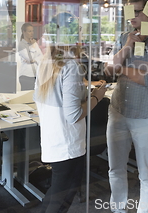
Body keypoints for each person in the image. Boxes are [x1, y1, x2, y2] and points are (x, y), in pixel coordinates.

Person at [104, 0, 148, 213]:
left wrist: (121, 69)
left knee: (146, 172)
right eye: (129, 12)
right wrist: (127, 47)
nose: (131, 17)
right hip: (119, 111)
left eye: (137, 12)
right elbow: (108, 70)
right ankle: (118, 209)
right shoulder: (124, 36)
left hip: (145, 115)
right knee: (115, 168)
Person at [34, 45, 107, 213]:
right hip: (68, 142)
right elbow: (73, 115)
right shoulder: (70, 66)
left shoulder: (47, 63)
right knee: (62, 197)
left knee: (56, 193)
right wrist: (96, 96)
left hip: (54, 137)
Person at [18, 23, 43, 90]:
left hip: (36, 75)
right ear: (24, 32)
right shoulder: (21, 45)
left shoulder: (34, 43)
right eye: (29, 31)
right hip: (26, 75)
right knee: (26, 98)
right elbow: (29, 58)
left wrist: (34, 60)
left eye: (32, 31)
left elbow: (41, 57)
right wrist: (33, 46)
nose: (32, 33)